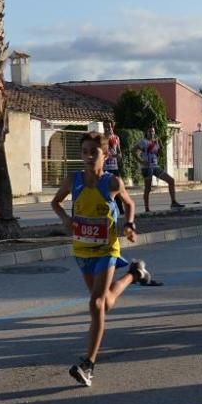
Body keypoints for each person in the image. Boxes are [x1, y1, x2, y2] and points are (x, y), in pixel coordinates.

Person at [52, 127, 154, 387]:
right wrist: (65, 219)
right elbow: (56, 202)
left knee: (96, 304)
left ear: (105, 154)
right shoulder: (73, 179)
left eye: (94, 152)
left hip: (107, 250)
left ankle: (88, 365)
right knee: (104, 303)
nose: (88, 157)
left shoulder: (111, 182)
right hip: (82, 250)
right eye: (84, 152)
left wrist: (129, 225)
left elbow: (129, 204)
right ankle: (133, 273)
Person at [135, 125, 184, 211]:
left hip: (155, 167)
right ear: (146, 133)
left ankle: (173, 202)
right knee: (148, 188)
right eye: (150, 131)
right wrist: (141, 161)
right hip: (147, 168)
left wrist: (160, 146)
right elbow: (133, 150)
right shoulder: (143, 142)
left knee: (171, 180)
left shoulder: (155, 142)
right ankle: (147, 208)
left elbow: (160, 154)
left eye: (153, 131)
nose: (151, 133)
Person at [103, 119, 124, 214]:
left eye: (109, 126)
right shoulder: (101, 138)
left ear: (112, 127)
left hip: (114, 167)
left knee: (118, 189)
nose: (107, 128)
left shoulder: (116, 138)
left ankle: (121, 211)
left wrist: (119, 156)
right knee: (105, 190)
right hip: (105, 168)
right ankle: (106, 211)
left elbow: (119, 151)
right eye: (106, 126)